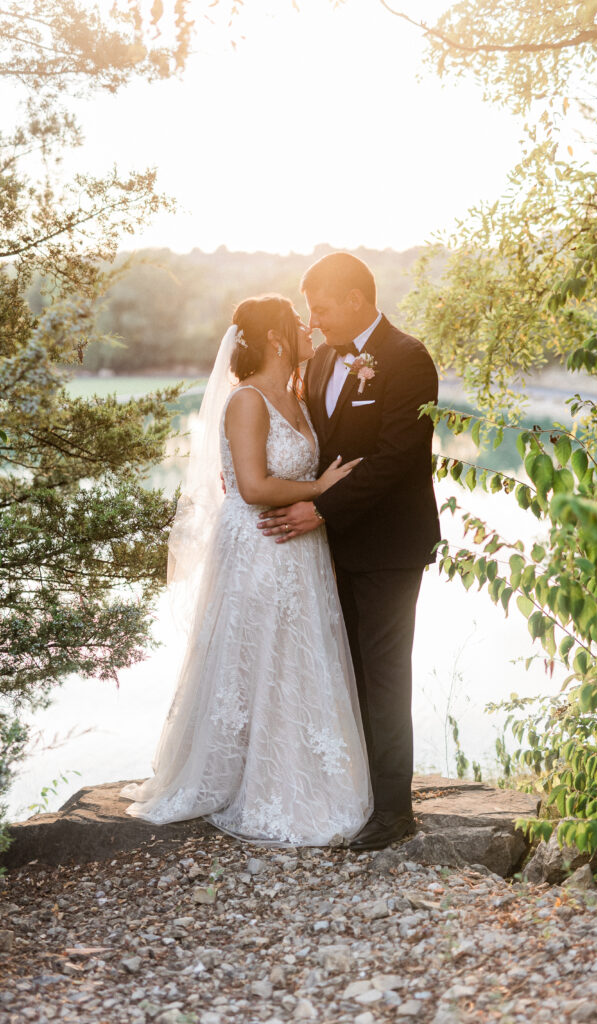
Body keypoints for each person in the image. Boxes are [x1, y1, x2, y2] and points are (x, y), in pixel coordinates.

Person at [122, 294, 372, 846]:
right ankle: (239, 779)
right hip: (259, 544)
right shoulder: (247, 400)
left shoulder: (297, 396)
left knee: (294, 654)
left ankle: (294, 771)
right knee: (255, 654)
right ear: (277, 338)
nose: (310, 328)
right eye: (298, 323)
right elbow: (253, 486)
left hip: (300, 546)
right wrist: (321, 489)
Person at [258, 253, 441, 850]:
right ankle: (354, 795)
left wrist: (320, 509)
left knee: (385, 675)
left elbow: (397, 458)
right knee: (344, 671)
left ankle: (393, 812)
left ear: (357, 300)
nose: (314, 321)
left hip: (389, 545)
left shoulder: (408, 358)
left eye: (322, 308)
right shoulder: (319, 363)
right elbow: (312, 447)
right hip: (324, 550)